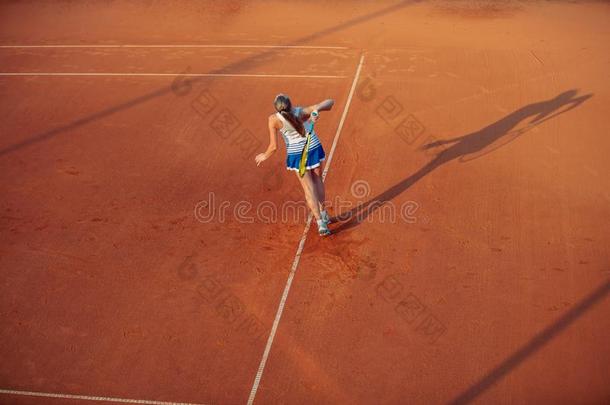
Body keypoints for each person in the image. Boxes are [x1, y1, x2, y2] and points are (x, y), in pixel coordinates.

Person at [255, 93, 335, 236]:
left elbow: (273, 147)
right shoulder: (300, 112)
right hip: (314, 147)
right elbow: (330, 102)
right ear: (290, 104)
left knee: (308, 189)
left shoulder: (273, 120)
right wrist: (316, 110)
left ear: (276, 108)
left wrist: (264, 155)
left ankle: (320, 224)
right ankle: (324, 214)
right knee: (318, 181)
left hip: (298, 155)